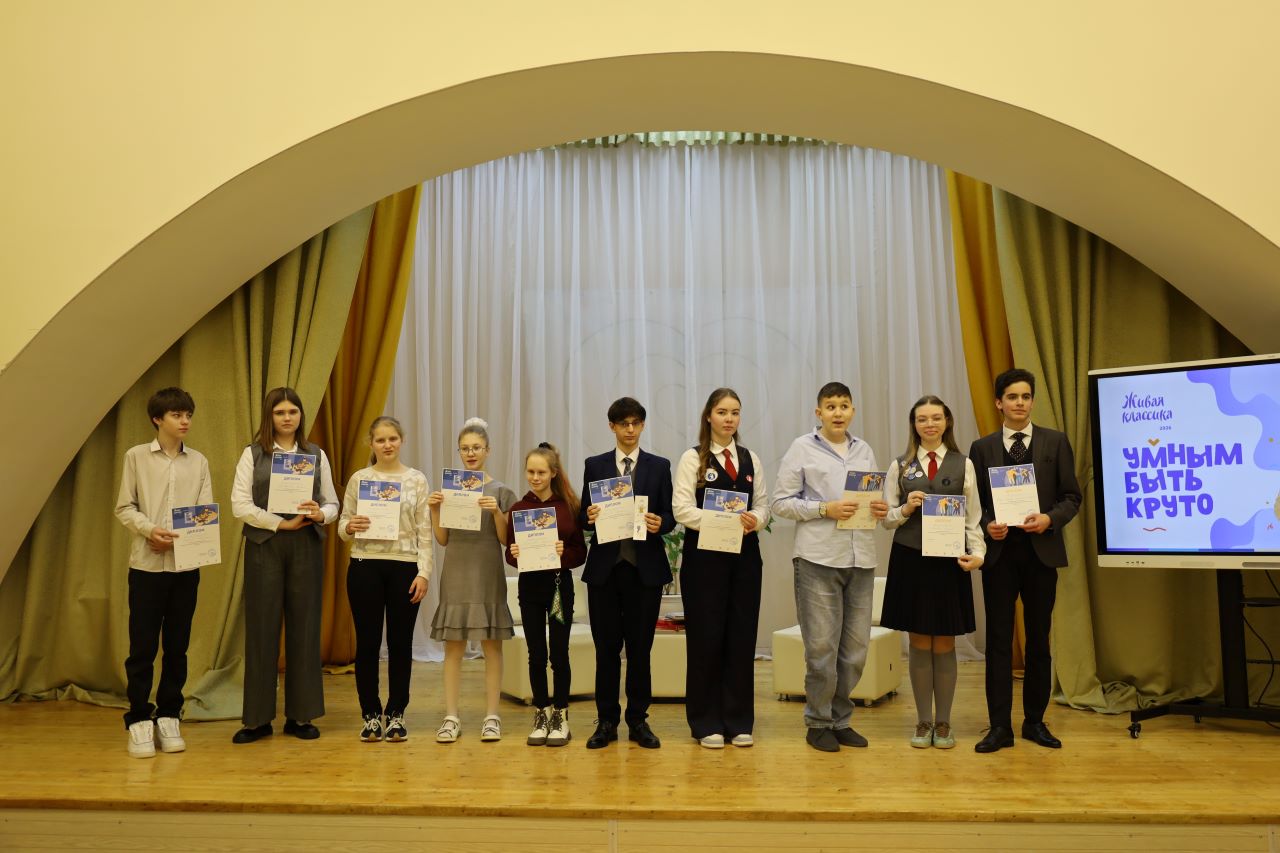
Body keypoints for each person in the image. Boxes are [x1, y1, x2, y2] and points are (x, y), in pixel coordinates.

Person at [771, 381, 888, 752]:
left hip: (861, 558)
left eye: (844, 405)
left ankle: (841, 720)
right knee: (821, 651)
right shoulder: (801, 448)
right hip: (817, 559)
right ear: (818, 412)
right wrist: (825, 508)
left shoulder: (864, 449)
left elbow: (875, 499)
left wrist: (880, 507)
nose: (838, 412)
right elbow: (780, 503)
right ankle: (818, 722)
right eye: (831, 406)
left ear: (852, 410)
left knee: (855, 652)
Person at [969, 368, 1081, 753]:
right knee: (999, 642)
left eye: (1025, 396)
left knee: (1038, 641)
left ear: (1032, 401)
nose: (1020, 403)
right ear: (999, 403)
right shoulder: (982, 448)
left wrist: (1050, 518)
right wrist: (988, 525)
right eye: (1012, 397)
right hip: (1000, 556)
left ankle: (1035, 721)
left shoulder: (1055, 442)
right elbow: (975, 505)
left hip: (1041, 554)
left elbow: (1072, 497)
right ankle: (999, 726)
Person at [230, 387, 339, 743]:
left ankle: (300, 716)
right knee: (262, 630)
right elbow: (239, 504)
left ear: (300, 415)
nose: (287, 417)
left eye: (293, 411)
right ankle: (257, 720)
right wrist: (280, 524)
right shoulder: (252, 454)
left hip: (306, 546)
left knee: (305, 628)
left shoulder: (316, 454)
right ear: (270, 416)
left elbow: (333, 504)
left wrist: (320, 514)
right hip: (265, 546)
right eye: (280, 412)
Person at [879, 395, 985, 749]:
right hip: (911, 560)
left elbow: (973, 518)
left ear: (947, 422)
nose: (929, 424)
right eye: (922, 419)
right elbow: (886, 519)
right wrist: (905, 509)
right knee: (920, 642)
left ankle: (944, 723)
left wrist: (978, 554)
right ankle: (923, 721)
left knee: (945, 642)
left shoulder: (963, 464)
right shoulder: (900, 465)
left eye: (936, 418)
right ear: (914, 424)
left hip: (949, 562)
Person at [113, 387, 213, 758]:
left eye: (188, 415)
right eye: (176, 415)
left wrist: (178, 541)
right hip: (146, 566)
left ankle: (170, 714)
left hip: (186, 567)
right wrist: (149, 530)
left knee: (177, 645)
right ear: (158, 419)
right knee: (142, 646)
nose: (185, 421)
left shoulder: (198, 461)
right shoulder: (136, 457)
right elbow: (125, 506)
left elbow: (205, 512)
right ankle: (139, 718)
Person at [672, 388, 770, 749]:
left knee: (741, 638)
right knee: (705, 638)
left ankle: (739, 721)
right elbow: (681, 509)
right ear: (709, 416)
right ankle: (705, 722)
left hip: (745, 558)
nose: (729, 419)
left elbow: (764, 505)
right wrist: (720, 520)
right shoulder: (692, 458)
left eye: (735, 412)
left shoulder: (750, 458)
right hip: (704, 561)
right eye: (722, 412)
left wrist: (754, 519)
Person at [579, 397, 675, 750]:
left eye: (635, 423)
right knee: (606, 650)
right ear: (612, 427)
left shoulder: (659, 466)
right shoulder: (595, 465)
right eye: (623, 424)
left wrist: (660, 522)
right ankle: (606, 721)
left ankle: (638, 720)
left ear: (643, 425)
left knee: (640, 650)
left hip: (644, 570)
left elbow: (670, 515)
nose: (630, 430)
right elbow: (583, 515)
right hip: (605, 571)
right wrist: (588, 516)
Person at [337, 416, 431, 743]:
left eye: (392, 438)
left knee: (401, 644)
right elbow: (343, 524)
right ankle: (370, 715)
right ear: (371, 443)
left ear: (401, 440)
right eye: (381, 440)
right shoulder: (360, 479)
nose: (387, 445)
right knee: (367, 644)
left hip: (405, 567)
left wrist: (424, 572)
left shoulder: (416, 480)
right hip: (365, 566)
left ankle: (396, 713)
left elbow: (425, 532)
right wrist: (349, 527)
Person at [427, 417, 516, 744]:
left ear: (488, 450)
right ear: (459, 452)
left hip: (488, 571)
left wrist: (496, 512)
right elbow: (443, 539)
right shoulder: (451, 489)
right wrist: (435, 510)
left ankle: (492, 716)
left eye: (476, 447)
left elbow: (507, 541)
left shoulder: (501, 491)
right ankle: (451, 716)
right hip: (456, 571)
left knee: (492, 646)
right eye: (465, 448)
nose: (471, 453)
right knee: (453, 647)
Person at [505, 443, 588, 747]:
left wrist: (564, 553)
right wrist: (514, 553)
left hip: (558, 589)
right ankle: (541, 713)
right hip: (529, 589)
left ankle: (561, 716)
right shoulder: (518, 509)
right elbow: (511, 554)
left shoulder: (568, 507)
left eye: (541, 472)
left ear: (553, 473)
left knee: (559, 654)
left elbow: (580, 553)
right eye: (531, 471)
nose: (535, 477)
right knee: (536, 654)